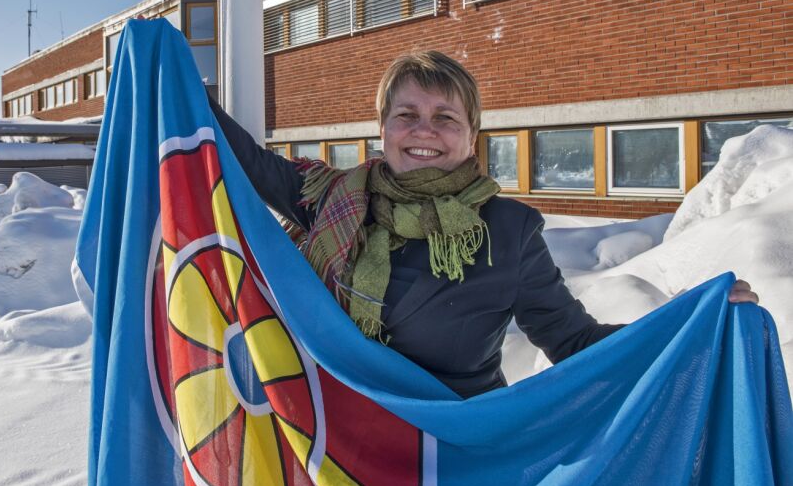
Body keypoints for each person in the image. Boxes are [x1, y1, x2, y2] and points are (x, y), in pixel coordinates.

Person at [210, 50, 758, 399]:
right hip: (336, 440)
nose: (424, 130)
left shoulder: (508, 231)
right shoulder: (330, 198)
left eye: (445, 117)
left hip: (453, 451)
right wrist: (169, 72)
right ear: (383, 129)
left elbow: (575, 341)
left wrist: (690, 321)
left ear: (471, 136)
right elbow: (240, 160)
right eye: (407, 115)